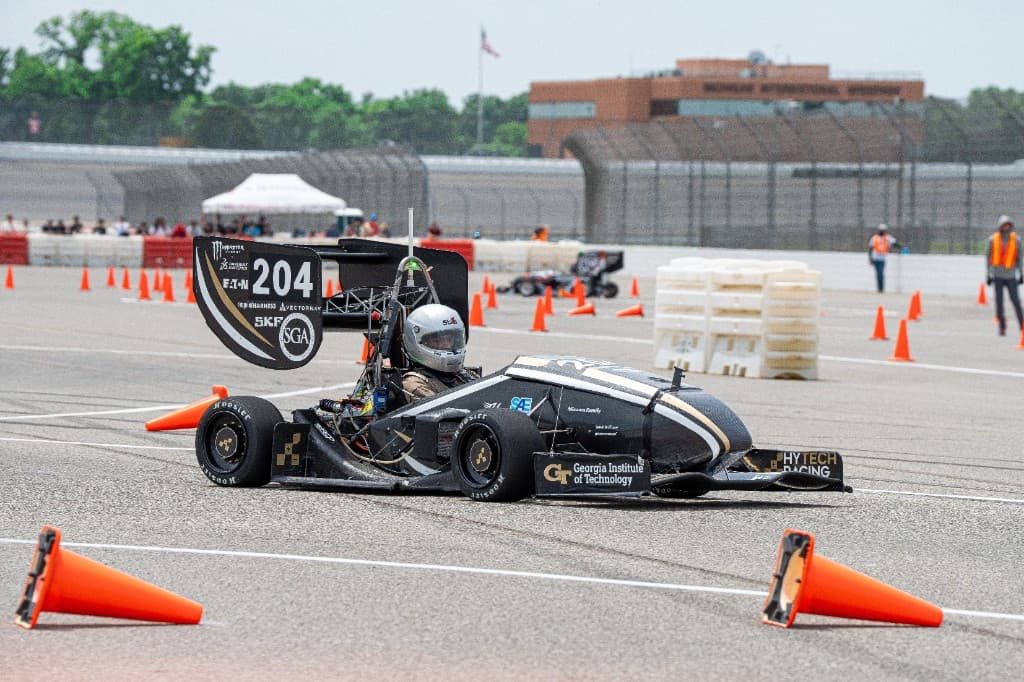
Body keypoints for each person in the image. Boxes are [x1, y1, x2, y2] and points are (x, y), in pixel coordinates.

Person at [399, 304, 479, 402]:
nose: (447, 346)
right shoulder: (414, 384)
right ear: (418, 342)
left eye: (449, 340)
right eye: (437, 341)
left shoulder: (463, 374)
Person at [986, 215, 1023, 336]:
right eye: (1004, 225)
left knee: (1016, 301)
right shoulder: (992, 239)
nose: (1006, 227)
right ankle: (1002, 327)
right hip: (998, 276)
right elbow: (988, 258)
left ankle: (1022, 325)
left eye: (1008, 225)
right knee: (999, 302)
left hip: (1011, 276)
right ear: (1000, 226)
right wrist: (988, 274)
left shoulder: (1016, 240)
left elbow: (1019, 259)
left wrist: (1021, 274)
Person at [867, 223, 900, 293]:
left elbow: (895, 243)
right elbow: (870, 248)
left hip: (882, 258)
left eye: (883, 230)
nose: (882, 231)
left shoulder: (887, 238)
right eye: (881, 230)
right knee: (879, 273)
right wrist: (870, 258)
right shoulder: (874, 238)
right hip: (875, 258)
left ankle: (881, 288)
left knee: (881, 274)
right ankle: (880, 288)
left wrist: (901, 248)